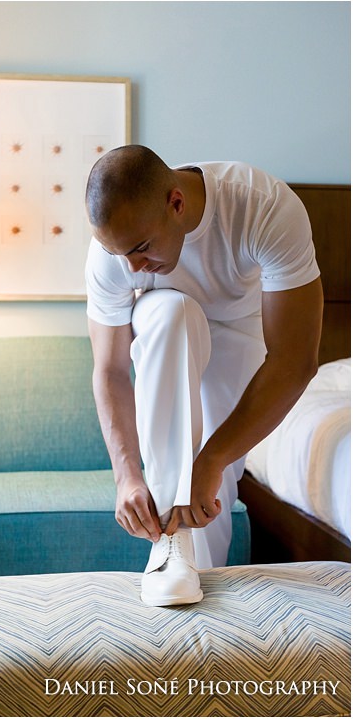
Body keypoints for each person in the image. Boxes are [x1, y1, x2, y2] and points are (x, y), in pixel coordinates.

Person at [84, 145, 322, 606]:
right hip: (164, 322)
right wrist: (126, 476)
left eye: (140, 249)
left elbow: (295, 360)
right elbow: (111, 369)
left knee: (213, 485)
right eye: (120, 254)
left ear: (177, 203)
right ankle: (169, 552)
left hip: (244, 328)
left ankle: (199, 585)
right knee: (171, 313)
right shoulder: (111, 256)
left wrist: (211, 460)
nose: (132, 267)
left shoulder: (263, 206)